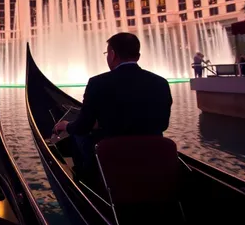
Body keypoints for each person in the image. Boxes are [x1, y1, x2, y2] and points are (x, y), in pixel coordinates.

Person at [53, 32, 173, 176]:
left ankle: (85, 178)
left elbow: (83, 127)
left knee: (77, 135)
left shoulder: (97, 83)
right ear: (138, 56)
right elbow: (162, 124)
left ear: (112, 54)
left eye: (107, 53)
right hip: (153, 151)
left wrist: (66, 125)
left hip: (113, 152)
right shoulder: (161, 82)